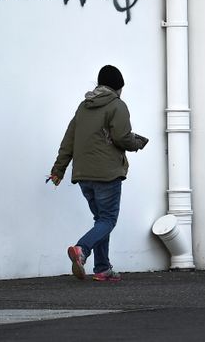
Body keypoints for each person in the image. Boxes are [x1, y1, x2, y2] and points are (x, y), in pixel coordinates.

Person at [48, 65, 148, 282]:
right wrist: (138, 142)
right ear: (118, 87)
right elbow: (122, 137)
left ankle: (102, 268)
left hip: (84, 176)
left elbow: (69, 140)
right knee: (108, 219)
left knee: (100, 220)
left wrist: (58, 170)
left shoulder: (83, 107)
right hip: (107, 173)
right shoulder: (117, 106)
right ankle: (81, 250)